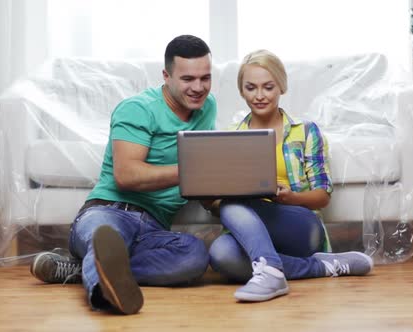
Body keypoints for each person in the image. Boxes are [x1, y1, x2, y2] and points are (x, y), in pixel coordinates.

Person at [29, 35, 216, 315]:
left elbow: (203, 169)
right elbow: (127, 175)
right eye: (188, 79)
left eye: (205, 78)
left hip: (154, 227)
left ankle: (83, 270)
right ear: (166, 76)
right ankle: (106, 290)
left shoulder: (207, 108)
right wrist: (192, 171)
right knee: (107, 239)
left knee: (194, 256)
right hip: (109, 212)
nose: (198, 88)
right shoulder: (138, 109)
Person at [207, 49, 373, 303]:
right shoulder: (231, 136)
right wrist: (212, 198)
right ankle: (315, 267)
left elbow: (322, 196)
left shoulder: (305, 131)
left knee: (233, 202)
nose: (259, 96)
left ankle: (272, 271)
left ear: (281, 87)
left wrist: (290, 198)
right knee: (221, 254)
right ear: (242, 91)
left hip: (299, 225)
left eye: (268, 87)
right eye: (251, 88)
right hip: (250, 231)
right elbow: (220, 206)